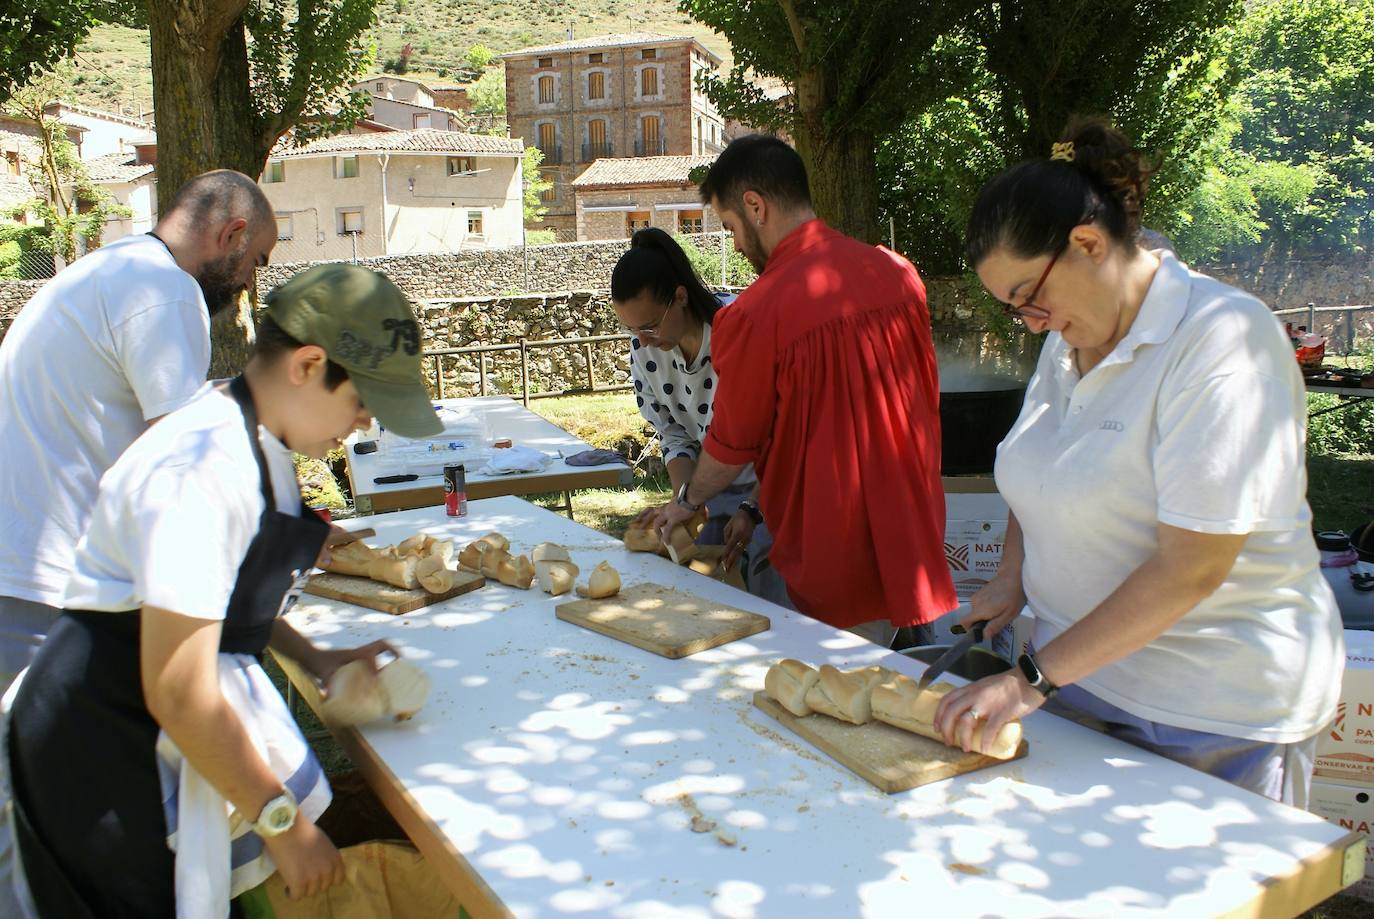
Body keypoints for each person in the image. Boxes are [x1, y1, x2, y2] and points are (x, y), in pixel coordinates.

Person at [7, 264, 444, 916]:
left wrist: (316, 657)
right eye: (360, 401)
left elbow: (223, 597)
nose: (362, 424)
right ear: (308, 363)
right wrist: (285, 824)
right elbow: (180, 688)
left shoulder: (262, 443)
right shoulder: (203, 471)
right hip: (99, 746)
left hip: (146, 714)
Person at [933, 118, 1343, 807]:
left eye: (1029, 298)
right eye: (1014, 309)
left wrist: (1030, 678)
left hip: (1211, 713)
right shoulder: (1066, 342)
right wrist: (1012, 576)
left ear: (1088, 244)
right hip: (1080, 683)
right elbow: (1042, 473)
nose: (1029, 321)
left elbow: (1194, 566)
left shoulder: (1222, 342)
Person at [650, 135, 956, 644]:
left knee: (834, 700)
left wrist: (686, 499)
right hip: (911, 532)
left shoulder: (756, 314)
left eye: (730, 228)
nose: (737, 245)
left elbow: (730, 446)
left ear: (755, 206)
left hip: (834, 550)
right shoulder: (899, 275)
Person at [0, 169, 279, 688]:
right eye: (255, 261)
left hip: (22, 571)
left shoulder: (108, 269)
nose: (249, 281)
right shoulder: (166, 290)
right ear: (232, 235)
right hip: (53, 588)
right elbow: (183, 465)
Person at [611, 227, 769, 579]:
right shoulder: (644, 350)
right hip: (709, 490)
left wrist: (751, 507)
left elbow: (779, 435)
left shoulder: (736, 328)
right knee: (705, 584)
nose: (643, 341)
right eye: (631, 330)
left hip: (774, 487)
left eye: (649, 326)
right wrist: (683, 505)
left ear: (680, 297)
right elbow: (675, 437)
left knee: (771, 594)